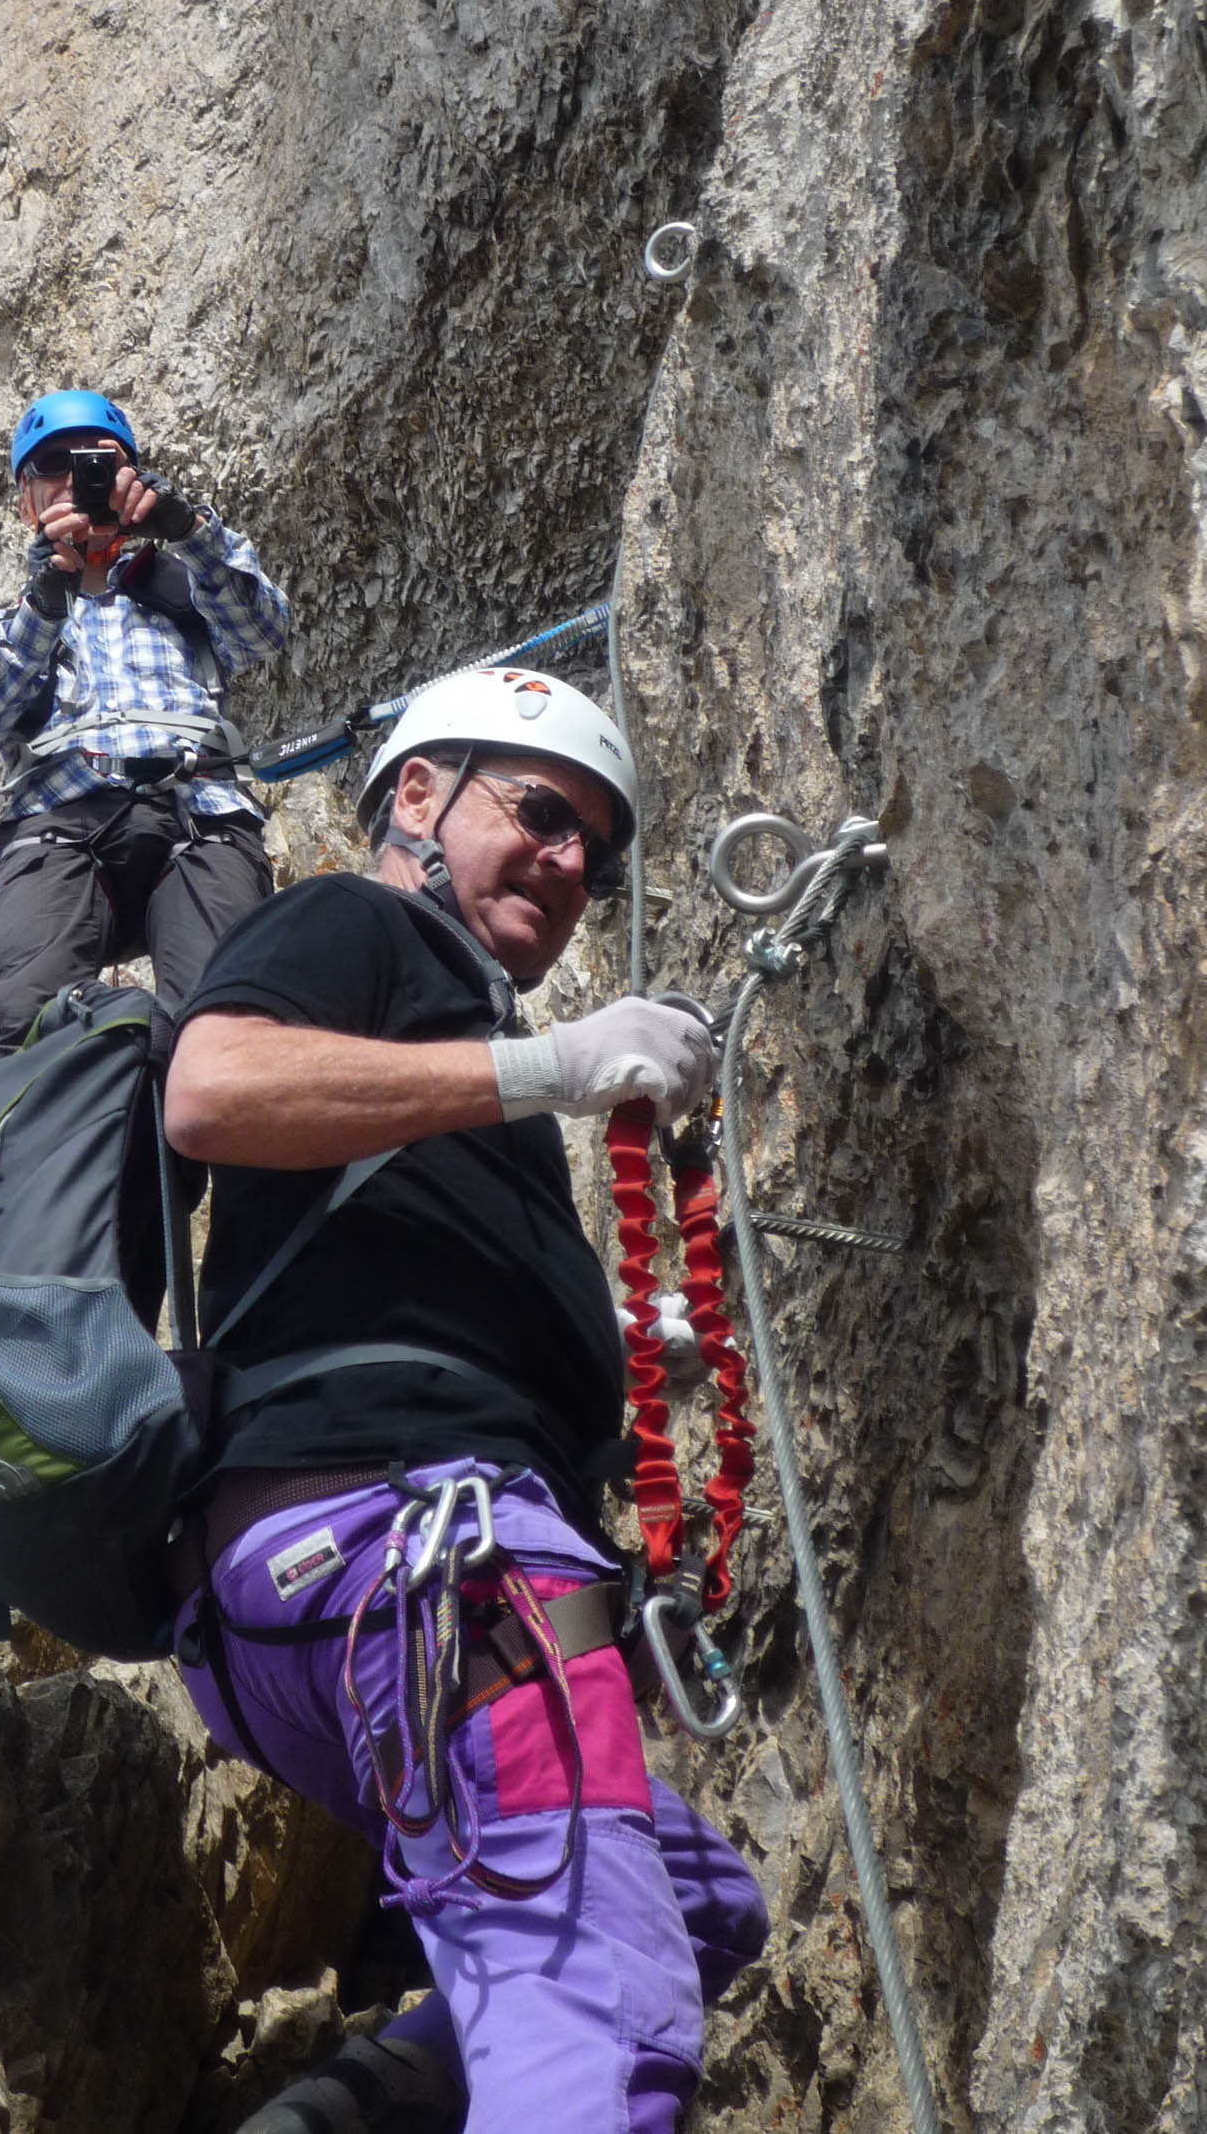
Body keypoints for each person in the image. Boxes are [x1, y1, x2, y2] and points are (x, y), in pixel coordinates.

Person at [162, 665, 768, 2134]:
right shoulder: (357, 925)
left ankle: (341, 2119)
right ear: (419, 796)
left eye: (596, 854)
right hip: (429, 1563)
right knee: (599, 1996)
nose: (571, 867)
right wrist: (547, 1066)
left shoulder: (449, 1071)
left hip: (324, 1611)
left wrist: (637, 1355)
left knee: (702, 1906)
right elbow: (211, 1086)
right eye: (545, 815)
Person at [0, 390, 288, 1069]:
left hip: (199, 814)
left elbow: (265, 629)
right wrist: (43, 609)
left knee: (231, 1032)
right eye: (53, 466)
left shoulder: (186, 589)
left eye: (95, 462)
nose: (76, 479)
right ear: (24, 503)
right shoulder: (2, 623)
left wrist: (189, 528)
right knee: (26, 1034)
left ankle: (226, 1156)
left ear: (130, 477)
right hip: (58, 824)